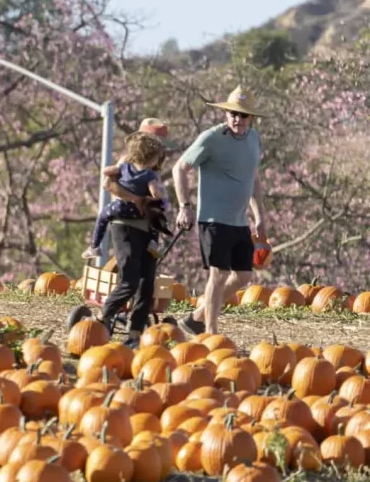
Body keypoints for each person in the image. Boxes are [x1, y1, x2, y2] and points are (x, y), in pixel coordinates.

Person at [173, 85, 268, 336]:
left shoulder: (254, 140)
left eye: (243, 115)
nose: (237, 119)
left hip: (239, 221)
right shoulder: (211, 139)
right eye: (232, 114)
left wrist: (259, 217)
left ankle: (196, 318)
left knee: (243, 276)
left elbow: (254, 180)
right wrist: (185, 206)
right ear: (225, 114)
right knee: (219, 273)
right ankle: (210, 333)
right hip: (213, 219)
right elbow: (180, 168)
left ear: (251, 118)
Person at [95, 131, 169, 348]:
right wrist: (141, 199)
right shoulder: (125, 165)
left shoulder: (151, 173)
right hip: (125, 227)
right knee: (130, 280)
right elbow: (108, 183)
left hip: (148, 232)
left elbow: (159, 201)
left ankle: (135, 332)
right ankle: (104, 315)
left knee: (147, 283)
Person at [82, 131, 168, 261]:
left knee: (102, 216)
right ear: (151, 158)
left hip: (120, 208)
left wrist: (112, 170)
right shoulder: (150, 175)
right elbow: (155, 192)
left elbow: (106, 172)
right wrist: (161, 201)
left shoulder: (124, 167)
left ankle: (95, 245)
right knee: (155, 217)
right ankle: (154, 242)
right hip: (139, 213)